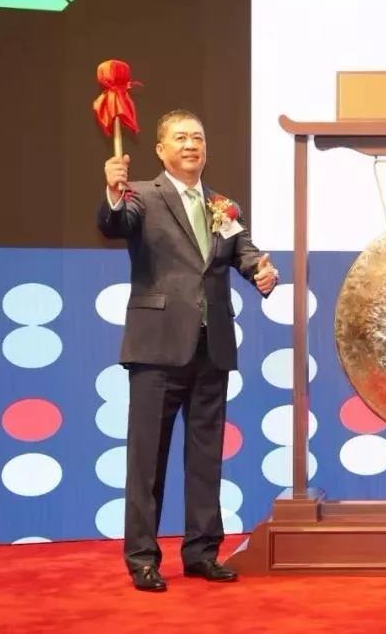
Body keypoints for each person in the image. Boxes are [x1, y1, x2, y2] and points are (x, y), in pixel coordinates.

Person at [98, 109, 279, 592]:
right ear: (161, 150)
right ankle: (142, 558)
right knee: (147, 461)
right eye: (180, 138)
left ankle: (202, 552)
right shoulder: (140, 195)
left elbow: (244, 252)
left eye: (197, 137)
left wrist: (261, 272)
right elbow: (115, 223)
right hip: (157, 347)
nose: (191, 145)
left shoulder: (223, 205)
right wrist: (113, 193)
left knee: (206, 458)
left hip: (211, 345)